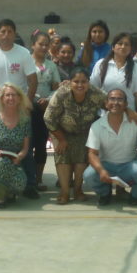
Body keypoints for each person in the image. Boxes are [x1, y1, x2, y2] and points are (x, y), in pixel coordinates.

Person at [43, 68, 107, 204]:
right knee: (63, 156)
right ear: (69, 82)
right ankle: (64, 191)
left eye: (83, 82)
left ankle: (78, 190)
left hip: (85, 132)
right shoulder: (61, 94)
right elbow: (48, 118)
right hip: (60, 130)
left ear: (88, 82)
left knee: (81, 159)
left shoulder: (96, 93)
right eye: (76, 81)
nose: (80, 85)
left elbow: (112, 103)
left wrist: (129, 112)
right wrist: (61, 139)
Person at [83, 89, 137, 206]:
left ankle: (135, 196)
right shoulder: (97, 125)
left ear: (126, 104)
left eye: (120, 99)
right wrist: (101, 170)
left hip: (129, 165)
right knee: (88, 175)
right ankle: (105, 194)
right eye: (112, 99)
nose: (115, 102)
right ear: (106, 104)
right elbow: (92, 153)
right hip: (106, 165)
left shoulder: (135, 120)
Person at [0, 84, 31, 208]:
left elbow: (25, 148)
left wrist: (20, 157)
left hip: (15, 162)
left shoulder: (25, 120)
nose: (11, 98)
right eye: (7, 95)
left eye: (14, 95)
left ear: (19, 98)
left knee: (21, 184)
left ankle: (7, 192)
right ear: (2, 98)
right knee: (3, 164)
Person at [27, 32, 60, 191]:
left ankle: (38, 179)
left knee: (40, 144)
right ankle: (27, 179)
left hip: (45, 109)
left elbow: (57, 88)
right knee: (27, 144)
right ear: (33, 45)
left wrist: (47, 100)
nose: (44, 47)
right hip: (27, 107)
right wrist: (33, 99)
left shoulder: (52, 65)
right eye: (41, 44)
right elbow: (21, 84)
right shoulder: (25, 63)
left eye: (47, 44)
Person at [91, 32, 137, 117]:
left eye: (126, 44)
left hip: (129, 116)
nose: (123, 47)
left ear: (131, 48)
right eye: (120, 44)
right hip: (105, 115)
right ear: (113, 47)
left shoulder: (136, 67)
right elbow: (93, 89)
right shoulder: (101, 64)